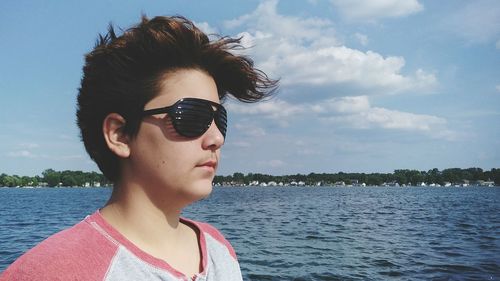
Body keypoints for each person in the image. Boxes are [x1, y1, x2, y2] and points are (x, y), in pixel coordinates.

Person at [1, 15, 277, 280]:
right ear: (120, 134)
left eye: (220, 119)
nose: (217, 138)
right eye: (193, 116)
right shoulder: (51, 273)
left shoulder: (219, 250)